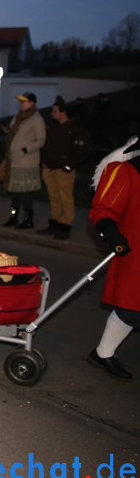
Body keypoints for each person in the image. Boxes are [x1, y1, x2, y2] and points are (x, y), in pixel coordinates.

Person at [87, 136, 140, 380]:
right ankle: (103, 352)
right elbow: (104, 209)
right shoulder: (126, 170)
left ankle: (103, 352)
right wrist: (110, 233)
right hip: (134, 252)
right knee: (131, 309)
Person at [38, 101, 87, 240]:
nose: (52, 113)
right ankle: (55, 221)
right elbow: (47, 146)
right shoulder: (55, 127)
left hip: (62, 169)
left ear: (63, 112)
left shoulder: (75, 129)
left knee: (65, 197)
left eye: (55, 111)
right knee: (54, 196)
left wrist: (68, 166)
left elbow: (81, 151)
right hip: (50, 167)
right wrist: (44, 162)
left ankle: (65, 225)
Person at [2, 92, 46, 229]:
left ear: (32, 103)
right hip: (14, 160)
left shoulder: (36, 119)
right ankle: (13, 216)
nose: (21, 104)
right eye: (20, 101)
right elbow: (17, 135)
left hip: (27, 161)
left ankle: (28, 219)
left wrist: (26, 149)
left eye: (24, 101)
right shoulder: (17, 117)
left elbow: (41, 140)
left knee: (25, 192)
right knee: (15, 191)